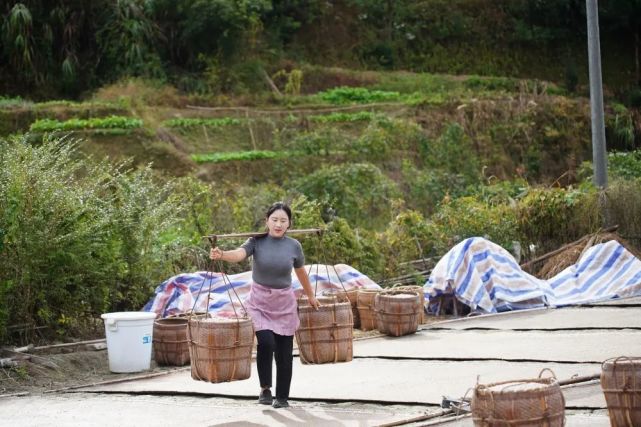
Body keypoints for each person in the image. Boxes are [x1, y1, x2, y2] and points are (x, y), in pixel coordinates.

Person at [210, 201, 320, 409]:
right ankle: (265, 389)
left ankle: (282, 397)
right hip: (259, 302)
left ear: (289, 224)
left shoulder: (294, 246)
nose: (278, 224)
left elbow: (301, 272)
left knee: (284, 352)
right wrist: (222, 255)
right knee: (266, 342)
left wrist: (311, 295)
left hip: (284, 302)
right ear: (267, 221)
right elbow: (239, 254)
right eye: (275, 220)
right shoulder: (256, 242)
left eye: (283, 221)